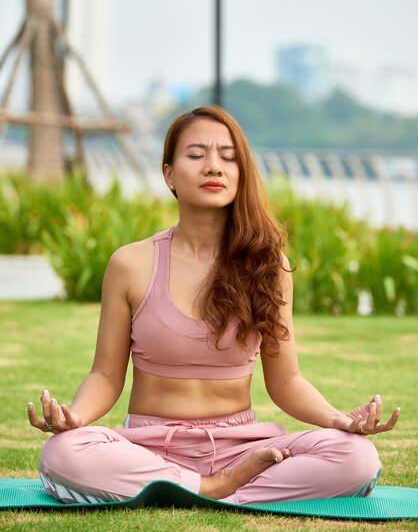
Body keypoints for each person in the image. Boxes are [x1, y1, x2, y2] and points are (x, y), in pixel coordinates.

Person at [28, 105, 400, 505]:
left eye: (228, 156)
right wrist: (77, 417)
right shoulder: (131, 264)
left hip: (242, 449)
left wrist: (340, 420)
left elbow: (286, 382)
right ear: (169, 173)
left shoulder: (268, 266)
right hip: (149, 448)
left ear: (241, 173)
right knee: (64, 452)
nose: (213, 167)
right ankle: (214, 490)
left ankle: (192, 488)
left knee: (356, 456)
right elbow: (105, 375)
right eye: (196, 155)